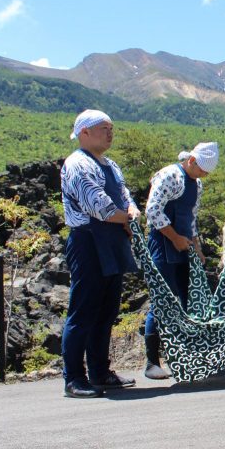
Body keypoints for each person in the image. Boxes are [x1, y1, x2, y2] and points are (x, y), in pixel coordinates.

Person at [59, 110, 140, 398]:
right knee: (83, 310)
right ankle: (74, 378)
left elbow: (123, 194)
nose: (110, 133)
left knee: (106, 311)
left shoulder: (111, 164)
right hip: (89, 241)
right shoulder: (77, 164)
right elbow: (100, 207)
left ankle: (100, 371)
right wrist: (128, 218)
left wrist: (131, 209)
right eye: (104, 128)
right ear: (84, 133)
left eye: (111, 128)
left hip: (113, 239)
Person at [143, 142, 218, 379]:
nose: (204, 175)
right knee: (163, 301)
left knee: (188, 299)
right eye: (202, 170)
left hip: (184, 245)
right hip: (163, 243)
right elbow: (153, 210)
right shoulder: (169, 175)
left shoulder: (197, 183)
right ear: (192, 161)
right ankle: (152, 361)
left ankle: (187, 355)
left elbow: (191, 217)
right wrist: (175, 238)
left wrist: (197, 247)